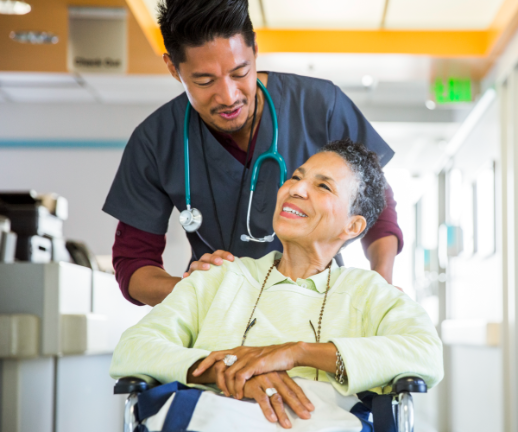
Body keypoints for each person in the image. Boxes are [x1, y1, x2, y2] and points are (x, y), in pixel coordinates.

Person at [110, 140, 443, 430]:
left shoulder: (367, 291)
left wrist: (294, 353)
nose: (295, 189)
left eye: (323, 187)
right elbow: (134, 347)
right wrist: (227, 371)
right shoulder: (220, 276)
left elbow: (426, 353)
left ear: (353, 226)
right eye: (296, 177)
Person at [103, 0, 404, 307]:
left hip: (318, 306)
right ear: (173, 68)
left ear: (255, 50)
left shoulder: (319, 106)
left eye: (239, 72)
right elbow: (133, 262)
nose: (228, 96)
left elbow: (375, 202)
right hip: (218, 316)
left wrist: (380, 284)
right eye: (204, 81)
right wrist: (192, 291)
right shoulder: (155, 140)